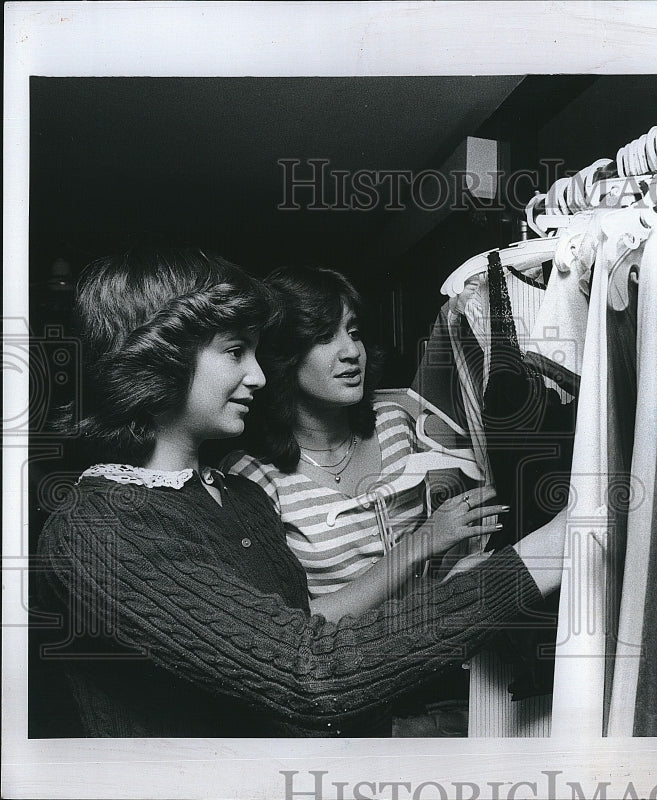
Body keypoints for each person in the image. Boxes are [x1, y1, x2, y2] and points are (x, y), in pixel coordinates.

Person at [34, 246, 564, 738]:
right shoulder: (101, 526)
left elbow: (306, 625)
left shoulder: (240, 495)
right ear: (160, 356)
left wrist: (446, 595)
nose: (260, 376)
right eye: (236, 351)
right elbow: (309, 674)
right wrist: (537, 557)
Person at [223, 265, 481, 618]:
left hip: (429, 643)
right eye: (325, 336)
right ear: (283, 354)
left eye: (354, 331)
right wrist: (418, 545)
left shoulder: (395, 423)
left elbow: (434, 566)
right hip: (345, 664)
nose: (351, 352)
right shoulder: (251, 475)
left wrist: (455, 578)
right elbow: (291, 625)